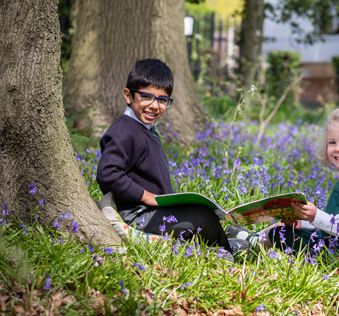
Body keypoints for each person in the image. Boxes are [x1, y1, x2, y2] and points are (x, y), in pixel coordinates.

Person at [97, 59, 238, 255]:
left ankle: (238, 239)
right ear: (128, 95)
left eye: (162, 100)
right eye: (146, 97)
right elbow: (108, 174)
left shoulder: (145, 129)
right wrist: (148, 197)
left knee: (206, 215)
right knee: (202, 217)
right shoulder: (124, 130)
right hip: (137, 215)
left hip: (154, 210)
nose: (155, 106)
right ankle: (230, 254)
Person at [227, 99, 339, 257]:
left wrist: (315, 216)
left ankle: (246, 244)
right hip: (336, 248)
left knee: (281, 233)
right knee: (287, 227)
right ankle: (249, 239)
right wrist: (305, 220)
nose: (337, 149)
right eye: (332, 142)